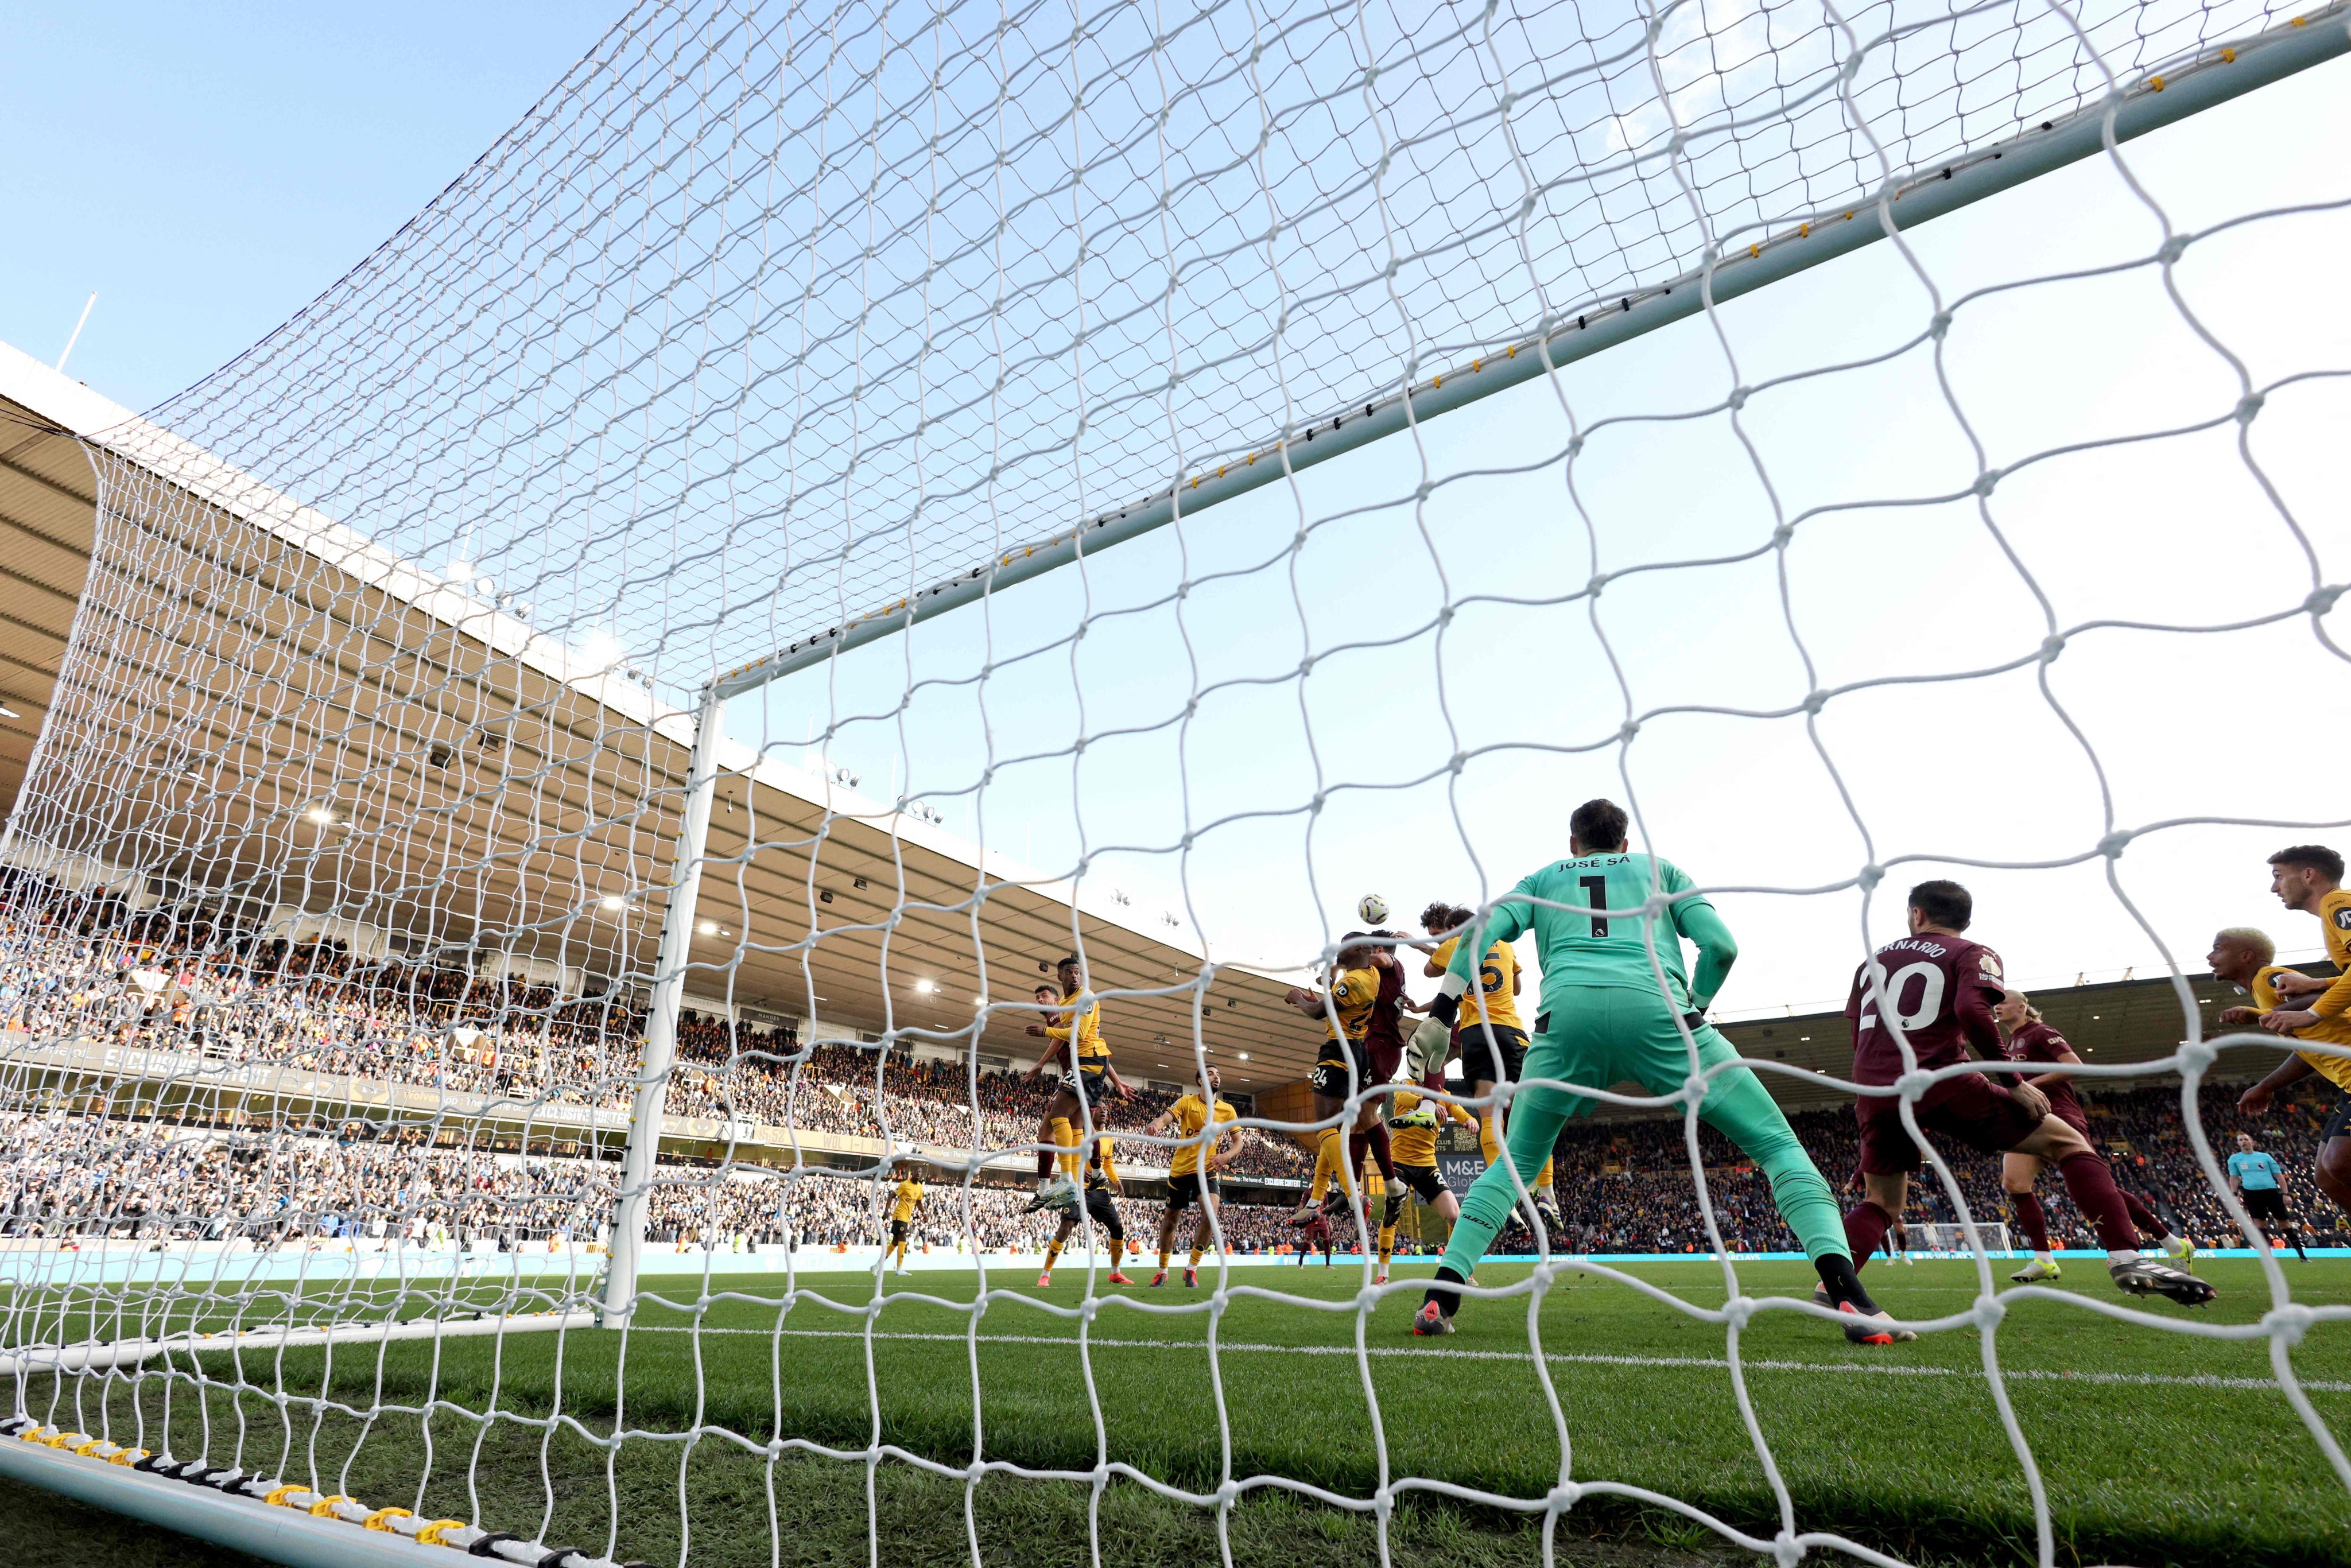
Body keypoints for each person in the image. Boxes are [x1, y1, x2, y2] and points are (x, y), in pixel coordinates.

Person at [1408, 798, 1903, 1343]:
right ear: (1625, 843)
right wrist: (1697, 1003)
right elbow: (1721, 946)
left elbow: (1479, 932)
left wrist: (1442, 1012)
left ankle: (1443, 1294)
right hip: (1662, 1015)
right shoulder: (1660, 870)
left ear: (1572, 844)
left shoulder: (1543, 878)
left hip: (1564, 1023)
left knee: (1517, 1161)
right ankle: (1847, 1294)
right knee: (1777, 1147)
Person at [1836, 879, 2210, 1306]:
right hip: (1942, 1078)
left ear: (1916, 914)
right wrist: (2012, 1082)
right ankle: (2126, 1255)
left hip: (1874, 1088)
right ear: (1967, 919)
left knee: (1882, 1201)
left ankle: (1832, 1289)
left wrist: (1870, 1108)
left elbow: (1857, 1035)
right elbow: (1970, 1010)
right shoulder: (1974, 952)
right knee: (2067, 1143)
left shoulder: (1871, 962)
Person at [1996, 987, 2191, 1282]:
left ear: (2022, 1007)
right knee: (2015, 1183)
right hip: (2027, 1118)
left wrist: (2031, 1084)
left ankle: (2172, 1243)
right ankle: (2044, 1260)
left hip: (2058, 1114)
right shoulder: (2010, 1042)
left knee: (2094, 1189)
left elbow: (2074, 1066)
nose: (1996, 1007)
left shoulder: (2041, 1031)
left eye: (2003, 1002)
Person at [1421, 903, 1558, 1233]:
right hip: (1510, 1030)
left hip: (1475, 1034)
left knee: (1489, 1116)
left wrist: (1439, 947)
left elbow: (1429, 972)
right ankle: (1548, 1194)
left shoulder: (1455, 945)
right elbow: (1517, 988)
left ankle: (1504, 1199)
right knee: (1535, 1109)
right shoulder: (1505, 944)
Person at [2229, 847, 2351, 1216]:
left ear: (2309, 875)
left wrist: (2312, 1012)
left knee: (2339, 1165)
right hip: (2346, 1084)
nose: (2274, 888)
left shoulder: (2337, 904)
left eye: (2279, 876)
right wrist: (2321, 982)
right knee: (2328, 1176)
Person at [1284, 936, 1396, 1232]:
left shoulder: (1355, 981)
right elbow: (1331, 1007)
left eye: (1345, 944)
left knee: (1324, 1128)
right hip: (1357, 1053)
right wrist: (1323, 992)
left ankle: (1352, 1192)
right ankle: (1316, 1199)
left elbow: (1319, 1012)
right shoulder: (1370, 974)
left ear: (1361, 949)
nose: (1337, 949)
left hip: (1339, 1051)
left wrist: (1298, 999)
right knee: (1332, 1130)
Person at [1025, 956, 1129, 1210]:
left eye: (1077, 972)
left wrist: (1045, 1032)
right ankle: (1087, 1177)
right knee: (1076, 1125)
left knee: (1056, 1120)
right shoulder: (1065, 1006)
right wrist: (1117, 1082)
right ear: (1060, 977)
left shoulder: (1082, 999)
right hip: (1086, 1066)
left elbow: (1080, 1036)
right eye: (1069, 973)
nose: (1074, 976)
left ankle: (1068, 1181)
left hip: (1086, 1064)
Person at [1144, 1066, 1242, 1288]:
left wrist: (1225, 1156)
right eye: (1210, 1073)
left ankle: (1191, 1270)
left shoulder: (1227, 1110)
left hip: (1206, 1169)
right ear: (1200, 1081)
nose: (1216, 1076)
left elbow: (1239, 1143)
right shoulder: (1187, 1102)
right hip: (1180, 1169)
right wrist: (1155, 1126)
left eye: (1218, 1073)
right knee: (1170, 1222)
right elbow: (1164, 1119)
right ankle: (1162, 1271)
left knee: (1211, 1213)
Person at [1379, 1087, 1475, 1284]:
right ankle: (1383, 1274)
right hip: (1399, 1163)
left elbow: (1458, 1110)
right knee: (1392, 1214)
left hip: (1427, 1165)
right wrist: (1426, 1104)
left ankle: (1455, 1268)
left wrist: (1469, 1120)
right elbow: (1401, 1096)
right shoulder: (1406, 1084)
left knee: (1455, 1216)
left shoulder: (1444, 1095)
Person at [1039, 1135, 1134, 1287]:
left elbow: (1108, 1164)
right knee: (1066, 1227)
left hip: (1100, 1191)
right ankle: (1045, 1275)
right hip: (1078, 1189)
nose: (1103, 1112)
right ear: (1092, 1111)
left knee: (1117, 1228)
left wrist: (1116, 1181)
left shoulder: (1107, 1138)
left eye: (1106, 1109)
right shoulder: (1076, 1131)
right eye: (1100, 1109)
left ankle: (1115, 1273)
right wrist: (1078, 1171)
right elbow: (1063, 1158)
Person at [2224, 1131, 2305, 1259]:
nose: (2244, 1141)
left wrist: (2286, 1194)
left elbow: (2279, 1176)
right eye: (2241, 1140)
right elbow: (2233, 1178)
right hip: (2251, 1194)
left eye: (2246, 1139)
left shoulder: (2265, 1157)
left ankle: (2301, 1254)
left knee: (2284, 1224)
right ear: (2238, 1144)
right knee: (2260, 1224)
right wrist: (2235, 1195)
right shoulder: (2235, 1159)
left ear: (2252, 1142)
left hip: (2271, 1192)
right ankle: (2268, 1256)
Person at [884, 1161, 923, 1275]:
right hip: (899, 1215)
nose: (919, 1174)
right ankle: (899, 1268)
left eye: (921, 1172)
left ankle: (879, 1264)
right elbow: (892, 1196)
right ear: (913, 1173)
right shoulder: (905, 1184)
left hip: (906, 1217)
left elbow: (919, 1203)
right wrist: (887, 1211)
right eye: (917, 1172)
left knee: (896, 1242)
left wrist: (924, 1213)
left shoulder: (920, 1188)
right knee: (903, 1239)